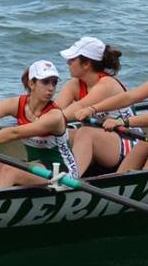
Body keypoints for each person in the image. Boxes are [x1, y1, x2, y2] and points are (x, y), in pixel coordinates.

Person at [0, 60, 76, 191]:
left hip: (62, 174)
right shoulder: (17, 104)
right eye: (45, 82)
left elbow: (15, 133)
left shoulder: (54, 116)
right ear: (31, 83)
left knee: (10, 170)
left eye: (54, 83)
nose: (51, 88)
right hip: (36, 166)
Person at [55, 37, 129, 175]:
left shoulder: (107, 84)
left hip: (128, 143)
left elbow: (78, 107)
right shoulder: (74, 84)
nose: (67, 63)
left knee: (85, 133)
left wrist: (45, 124)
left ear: (86, 64)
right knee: (57, 133)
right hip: (101, 140)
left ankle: (72, 179)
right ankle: (49, 169)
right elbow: (55, 111)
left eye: (72, 60)